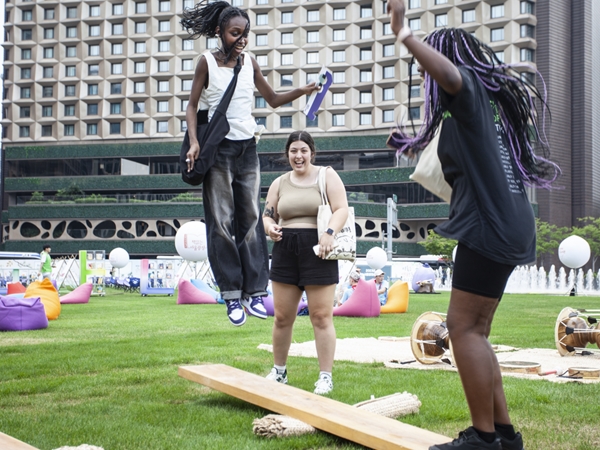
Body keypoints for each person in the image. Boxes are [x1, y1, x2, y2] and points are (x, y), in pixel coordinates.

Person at [386, 2, 560, 449]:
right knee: (475, 331)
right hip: (510, 221)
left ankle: (482, 439)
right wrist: (410, 147)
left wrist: (405, 35)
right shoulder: (489, 108)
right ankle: (502, 434)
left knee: (462, 329)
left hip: (489, 225)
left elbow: (449, 76)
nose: (429, 81)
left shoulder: (465, 92)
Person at [180, 1, 318, 327]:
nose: (241, 39)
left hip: (248, 148)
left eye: (245, 34)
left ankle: (255, 291)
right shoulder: (206, 63)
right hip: (219, 149)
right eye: (235, 33)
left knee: (252, 217)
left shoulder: (249, 62)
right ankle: (231, 294)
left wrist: (304, 89)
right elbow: (191, 105)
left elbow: (271, 99)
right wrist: (195, 141)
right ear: (219, 32)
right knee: (222, 221)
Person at [262, 131, 349, 395]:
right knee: (281, 317)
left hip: (319, 248)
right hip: (285, 248)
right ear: (287, 153)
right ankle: (279, 372)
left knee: (321, 316)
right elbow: (267, 215)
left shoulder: (327, 175)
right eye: (293, 151)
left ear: (312, 152)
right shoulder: (279, 183)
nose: (298, 156)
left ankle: (325, 377)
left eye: (303, 150)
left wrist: (329, 234)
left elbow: (341, 209)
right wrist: (269, 228)